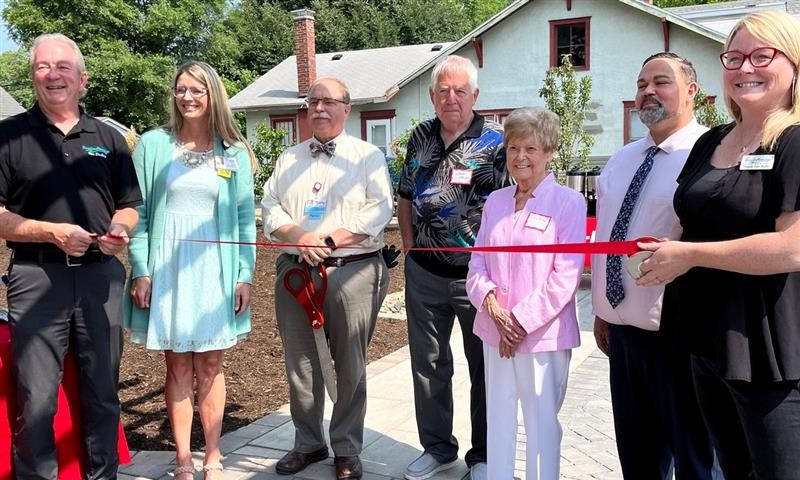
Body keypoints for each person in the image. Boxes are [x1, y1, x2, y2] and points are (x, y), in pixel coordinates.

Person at [637, 11, 800, 479]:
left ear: (793, 66)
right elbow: (696, 223)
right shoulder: (711, 141)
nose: (745, 67)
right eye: (734, 57)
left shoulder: (794, 141)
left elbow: (792, 248)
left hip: (769, 352)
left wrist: (688, 256)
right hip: (705, 343)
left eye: (762, 55)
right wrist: (666, 247)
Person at [0, 33, 141, 479]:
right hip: (37, 277)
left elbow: (129, 204)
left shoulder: (109, 137)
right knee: (37, 397)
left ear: (82, 79)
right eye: (43, 67)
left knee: (102, 393)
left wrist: (120, 228)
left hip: (102, 277)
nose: (53, 75)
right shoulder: (9, 137)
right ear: (33, 77)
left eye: (63, 67)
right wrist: (51, 232)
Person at [123, 61, 256, 479]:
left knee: (211, 366)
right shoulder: (153, 145)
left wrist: (243, 274)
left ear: (213, 94)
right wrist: (142, 269)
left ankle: (214, 455)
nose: (188, 97)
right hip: (167, 270)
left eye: (197, 89)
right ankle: (182, 459)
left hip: (214, 271)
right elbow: (139, 212)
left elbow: (244, 217)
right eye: (181, 89)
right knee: (178, 366)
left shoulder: (233, 151)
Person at [592, 52, 722, 479]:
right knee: (638, 457)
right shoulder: (621, 159)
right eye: (641, 83)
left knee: (694, 458)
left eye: (661, 82)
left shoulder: (712, 157)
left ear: (691, 91)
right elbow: (609, 237)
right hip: (625, 338)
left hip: (681, 336)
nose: (648, 91)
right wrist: (602, 310)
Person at [261, 77, 393, 480]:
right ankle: (308, 443)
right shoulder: (289, 159)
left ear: (346, 109)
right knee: (300, 363)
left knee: (349, 364)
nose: (318, 108)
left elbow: (380, 210)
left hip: (353, 269)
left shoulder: (367, 156)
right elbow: (270, 208)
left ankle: (347, 448)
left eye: (327, 102)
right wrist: (301, 237)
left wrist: (331, 240)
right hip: (296, 272)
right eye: (312, 101)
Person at [397, 55, 507, 480]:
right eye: (443, 90)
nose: (451, 98)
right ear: (431, 96)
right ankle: (438, 448)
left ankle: (483, 456)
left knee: (484, 368)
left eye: (460, 90)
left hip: (476, 278)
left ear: (475, 96)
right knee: (428, 365)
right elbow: (405, 195)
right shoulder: (420, 136)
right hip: (424, 275)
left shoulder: (495, 142)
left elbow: (506, 207)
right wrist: (409, 249)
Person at [466, 107, 585, 480]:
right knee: (498, 421)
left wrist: (516, 323)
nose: (520, 157)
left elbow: (564, 277)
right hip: (494, 331)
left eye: (531, 149)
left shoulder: (569, 203)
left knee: (541, 426)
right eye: (513, 148)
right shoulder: (495, 202)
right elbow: (476, 266)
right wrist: (494, 311)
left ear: (549, 152)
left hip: (542, 337)